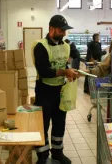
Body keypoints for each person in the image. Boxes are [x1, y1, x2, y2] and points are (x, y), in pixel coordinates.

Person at [32, 15, 78, 164]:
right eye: (61, 30)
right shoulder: (40, 46)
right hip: (44, 90)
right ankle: (42, 155)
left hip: (60, 90)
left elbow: (63, 65)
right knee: (43, 124)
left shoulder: (66, 46)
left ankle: (57, 152)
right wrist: (65, 72)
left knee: (60, 122)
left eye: (65, 30)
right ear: (51, 29)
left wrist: (70, 73)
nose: (64, 33)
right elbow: (44, 71)